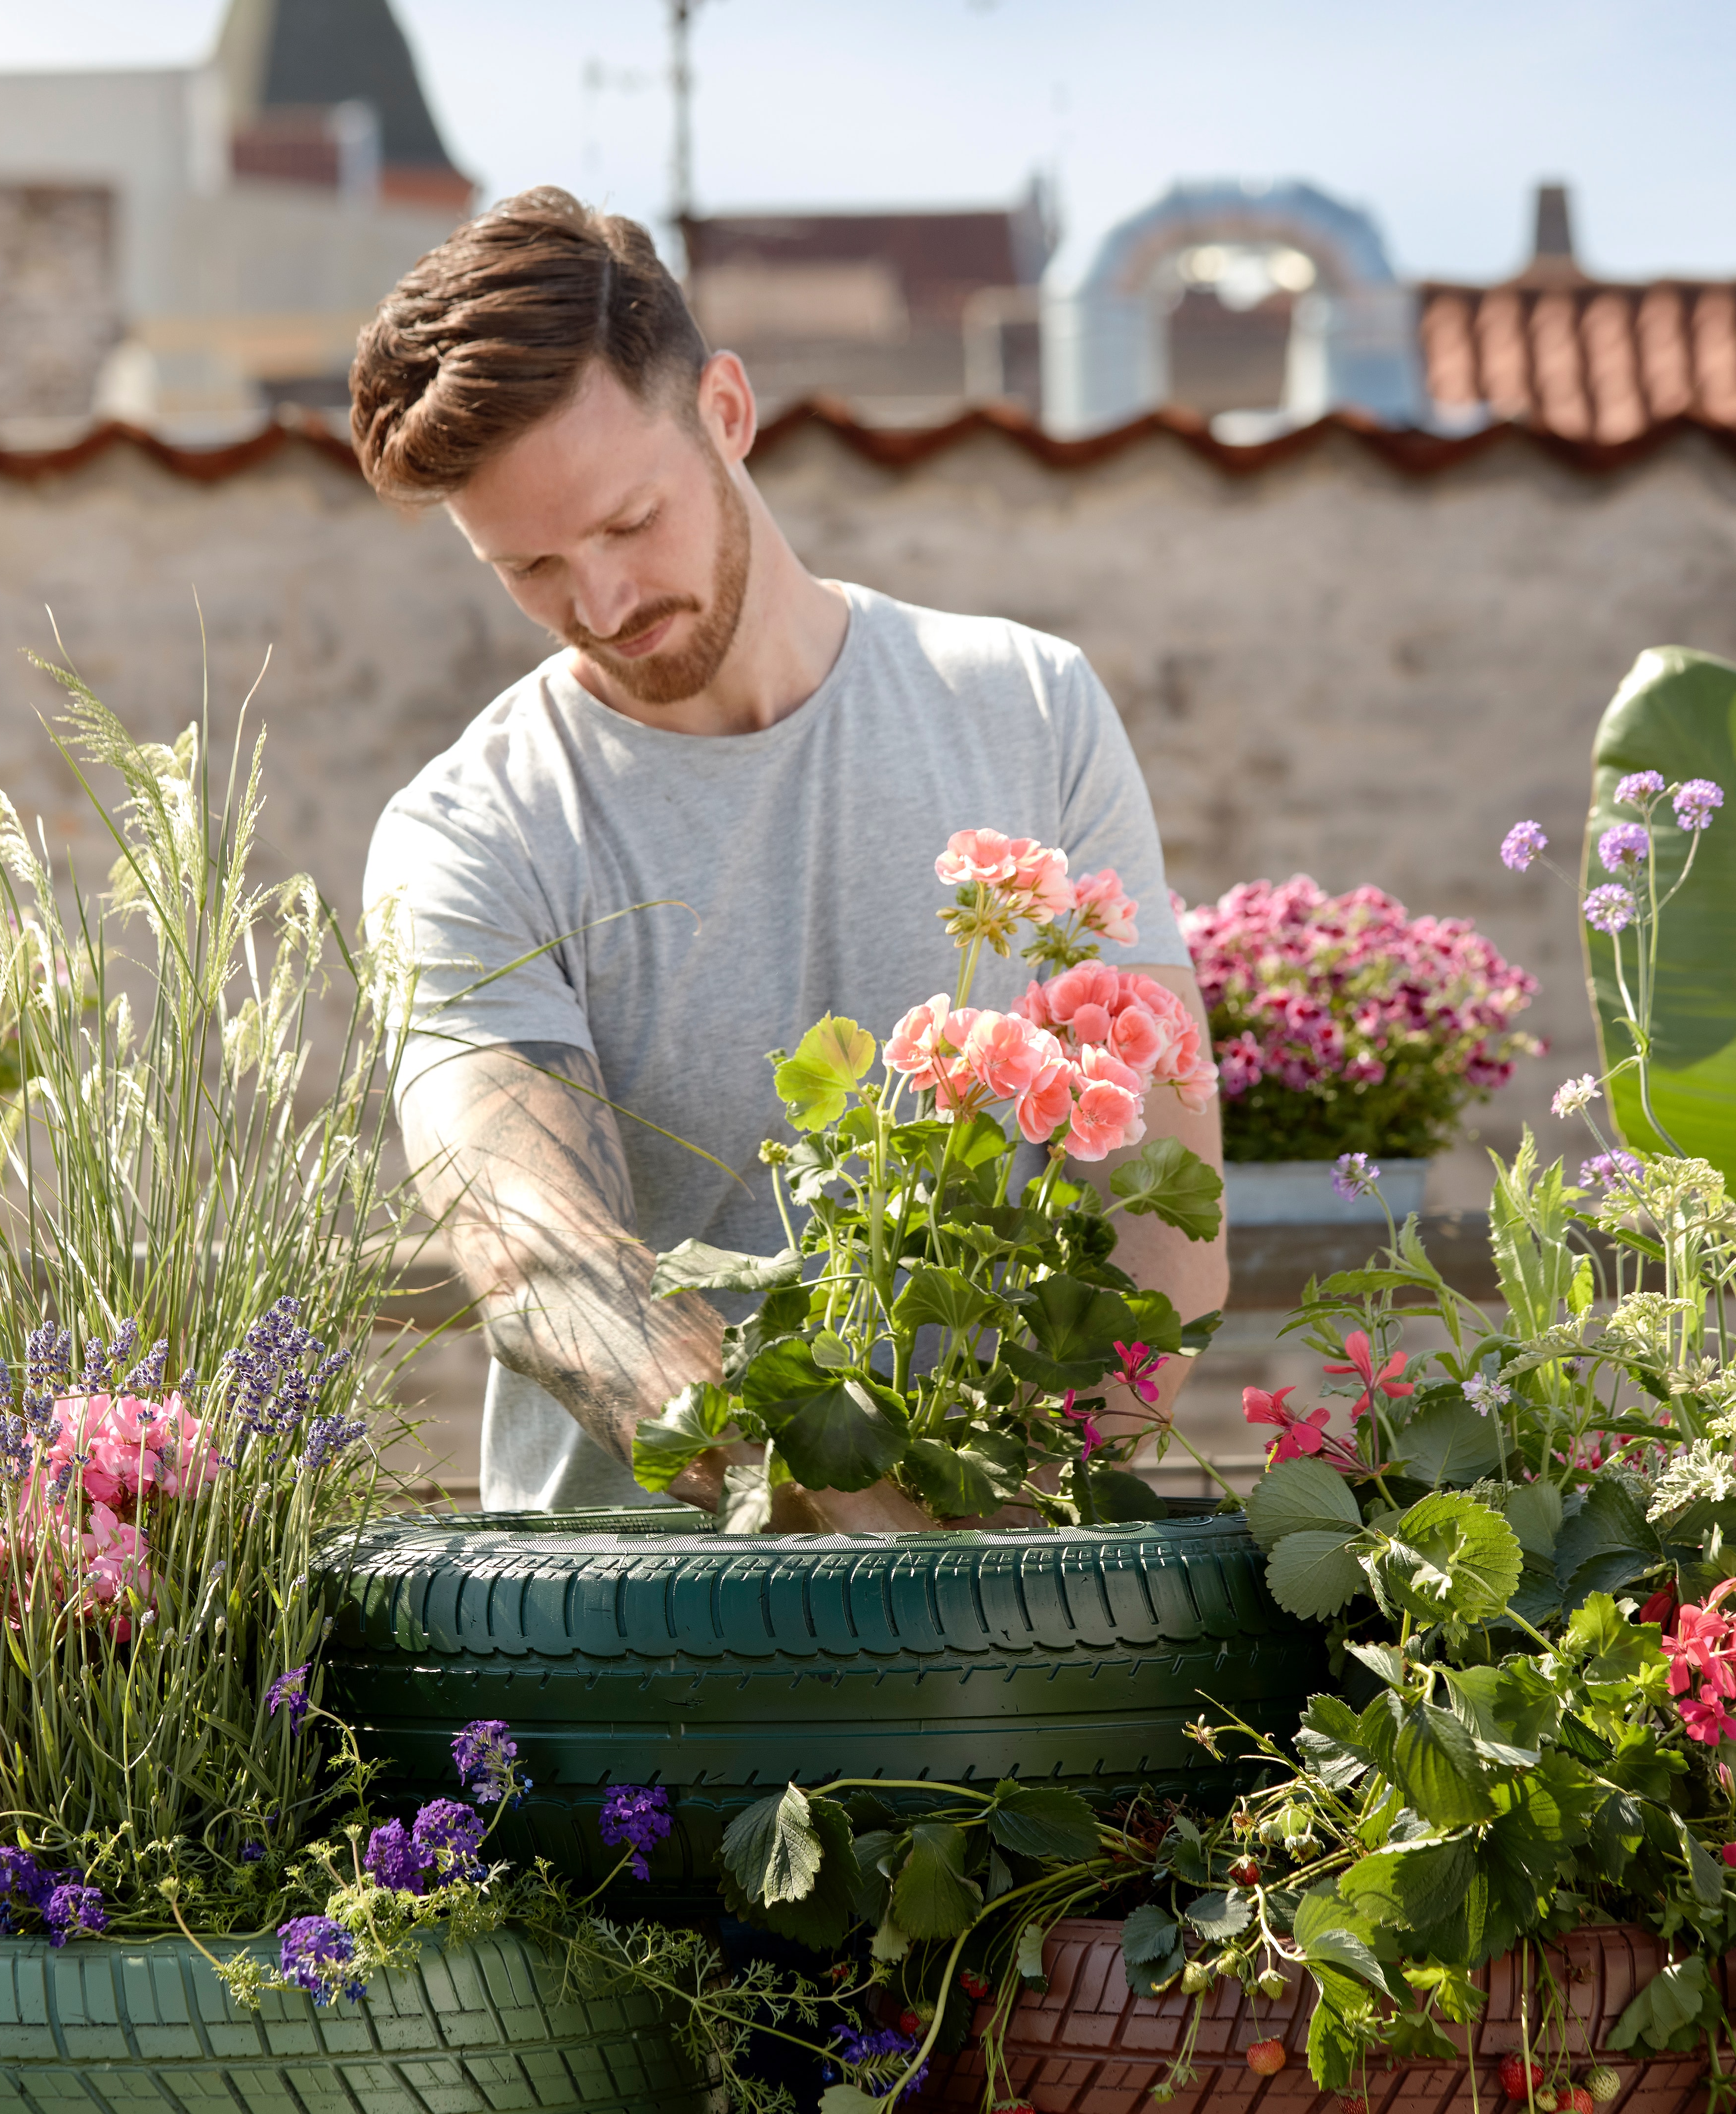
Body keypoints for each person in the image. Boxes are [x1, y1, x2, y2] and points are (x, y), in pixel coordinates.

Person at [350, 188, 1224, 1522]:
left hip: (1005, 1625)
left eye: (629, 521)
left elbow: (1164, 1213)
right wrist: (840, 1521)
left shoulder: (1031, 709)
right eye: (526, 566)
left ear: (726, 411)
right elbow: (532, 1251)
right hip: (627, 1653)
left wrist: (1024, 1531)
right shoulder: (469, 829)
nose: (599, 603)